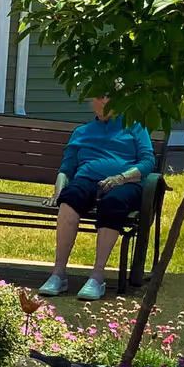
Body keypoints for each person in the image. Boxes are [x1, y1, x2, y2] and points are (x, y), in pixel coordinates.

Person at [36, 96, 157, 302]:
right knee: (70, 198)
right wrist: (57, 193)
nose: (103, 102)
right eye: (98, 98)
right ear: (92, 102)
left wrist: (121, 178)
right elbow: (66, 170)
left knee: (113, 203)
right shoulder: (81, 132)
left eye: (108, 97)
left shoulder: (135, 126)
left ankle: (97, 276)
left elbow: (148, 162)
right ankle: (58, 274)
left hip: (125, 184)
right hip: (86, 179)